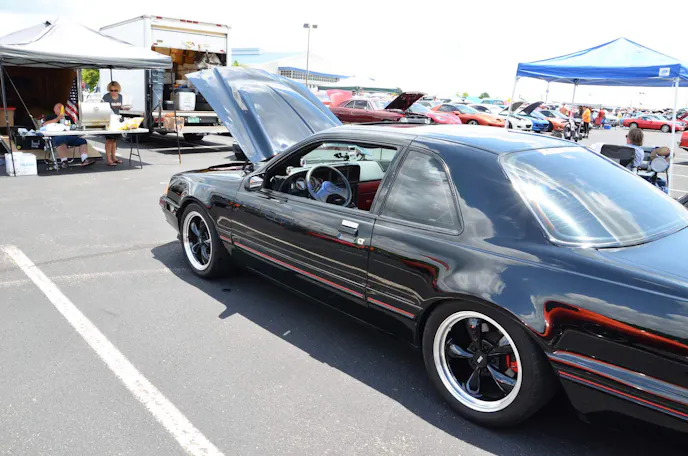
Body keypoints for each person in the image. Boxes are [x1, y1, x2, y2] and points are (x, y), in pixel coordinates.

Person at [43, 103, 95, 168]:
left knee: (82, 141)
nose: (61, 109)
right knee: (61, 140)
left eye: (62, 108)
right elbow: (44, 125)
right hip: (56, 136)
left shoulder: (68, 117)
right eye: (59, 108)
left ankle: (84, 159)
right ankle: (64, 161)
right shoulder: (50, 116)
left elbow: (73, 127)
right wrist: (57, 119)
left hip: (68, 136)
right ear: (54, 110)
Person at [102, 81, 126, 166]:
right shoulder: (106, 97)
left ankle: (114, 157)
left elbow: (120, 107)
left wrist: (124, 108)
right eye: (111, 90)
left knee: (115, 140)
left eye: (115, 90)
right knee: (109, 140)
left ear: (118, 90)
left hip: (117, 120)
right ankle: (109, 159)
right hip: (109, 120)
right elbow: (103, 108)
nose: (113, 92)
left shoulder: (120, 97)